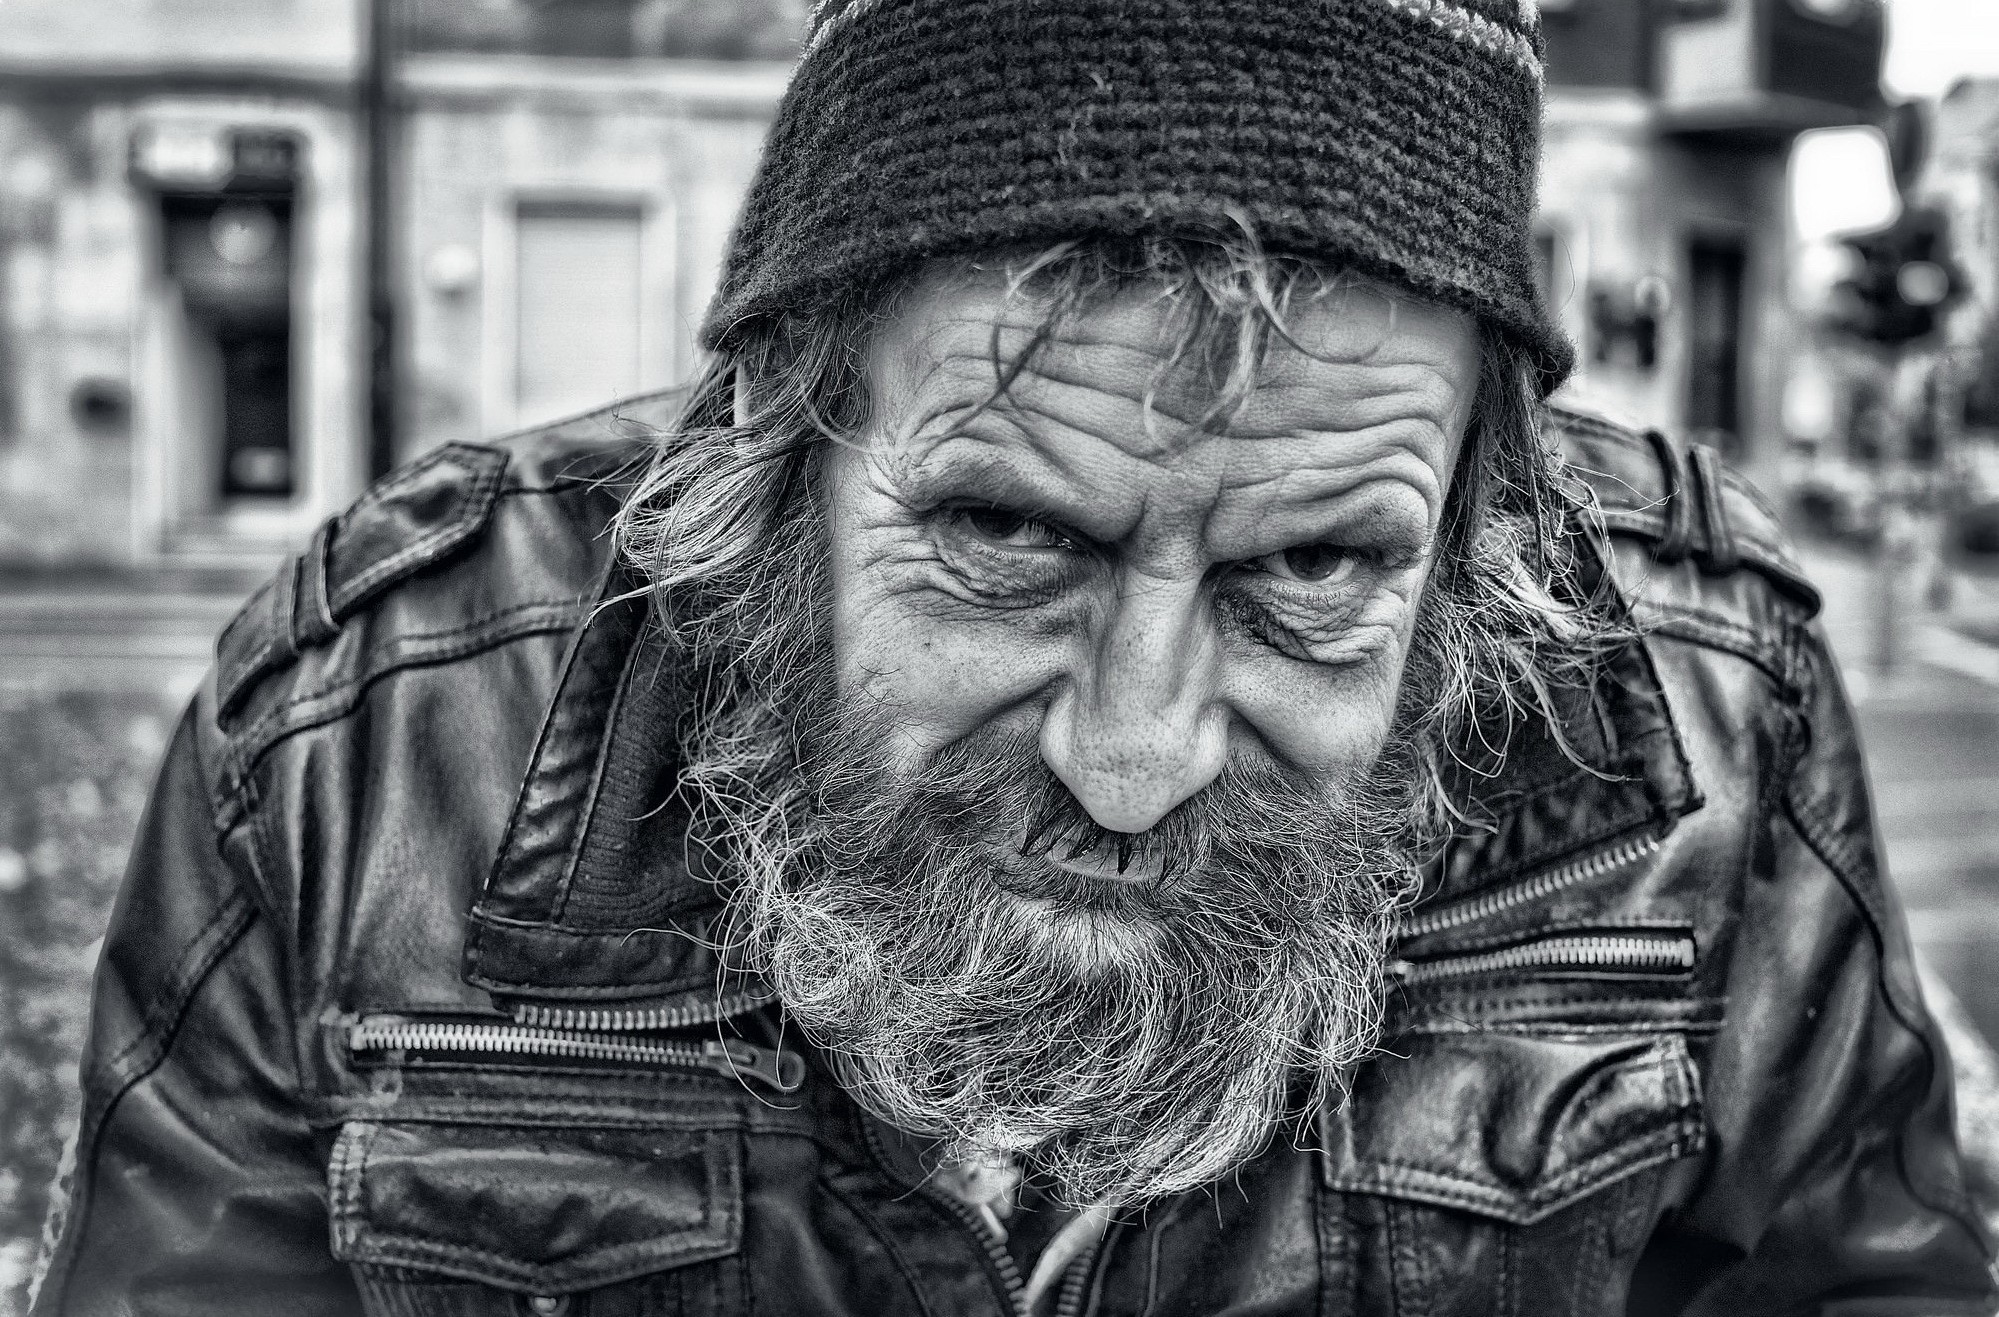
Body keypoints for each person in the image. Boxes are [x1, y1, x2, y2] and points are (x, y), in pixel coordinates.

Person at [31, 1, 1997, 1312]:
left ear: (1484, 539)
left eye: (1317, 564)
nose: (1134, 755)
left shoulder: (1701, 710)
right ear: (771, 455)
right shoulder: (366, 739)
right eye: (1008, 535)